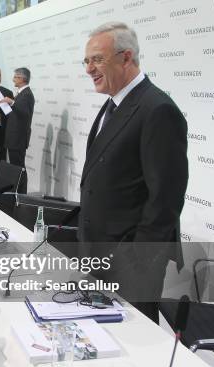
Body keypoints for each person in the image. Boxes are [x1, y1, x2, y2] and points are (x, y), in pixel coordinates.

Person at [78, 22, 188, 323]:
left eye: (97, 59)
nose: (89, 68)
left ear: (126, 58)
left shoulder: (157, 109)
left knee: (135, 343)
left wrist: (139, 260)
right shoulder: (113, 104)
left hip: (130, 262)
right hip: (100, 252)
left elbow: (166, 198)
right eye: (86, 61)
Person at [1, 67, 35, 168]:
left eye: (15, 77)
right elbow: (14, 114)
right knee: (15, 167)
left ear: (22, 79)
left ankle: (20, 185)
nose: (13, 79)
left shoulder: (27, 94)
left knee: (18, 168)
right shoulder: (21, 93)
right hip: (14, 139)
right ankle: (17, 184)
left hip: (18, 139)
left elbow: (25, 113)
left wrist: (11, 102)